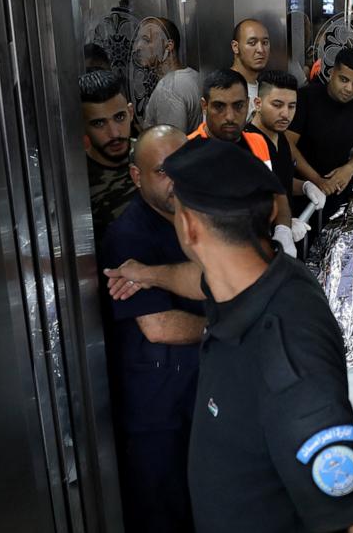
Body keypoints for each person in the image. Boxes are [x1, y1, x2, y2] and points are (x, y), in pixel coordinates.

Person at [153, 138, 353, 532]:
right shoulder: (266, 276)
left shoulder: (287, 372)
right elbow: (201, 281)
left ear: (188, 227)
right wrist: (147, 274)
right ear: (270, 211)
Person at [99, 125, 203, 533]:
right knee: (163, 511)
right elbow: (159, 327)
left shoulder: (198, 218)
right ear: (136, 176)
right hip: (157, 408)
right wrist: (225, 327)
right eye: (162, 171)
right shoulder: (128, 236)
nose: (176, 180)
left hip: (199, 393)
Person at [188, 69, 299, 255]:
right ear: (204, 106)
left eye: (238, 106)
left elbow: (276, 193)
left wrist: (283, 229)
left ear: (248, 104)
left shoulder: (258, 142)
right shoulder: (188, 153)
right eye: (219, 106)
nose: (230, 116)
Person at [287, 48, 353, 218]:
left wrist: (349, 168)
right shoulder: (306, 98)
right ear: (332, 73)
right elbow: (287, 144)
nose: (349, 88)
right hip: (300, 190)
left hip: (337, 193)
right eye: (344, 80)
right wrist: (316, 180)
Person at [246, 70, 327, 250]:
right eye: (277, 105)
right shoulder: (246, 145)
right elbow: (249, 203)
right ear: (258, 103)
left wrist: (305, 187)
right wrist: (282, 225)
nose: (285, 114)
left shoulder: (281, 139)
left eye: (291, 106)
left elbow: (280, 182)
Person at [80, 70, 136, 242]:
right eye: (99, 123)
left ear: (131, 113)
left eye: (119, 117)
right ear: (82, 126)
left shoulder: (154, 156)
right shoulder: (77, 182)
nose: (114, 133)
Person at [132, 17, 202, 133]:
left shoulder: (168, 89)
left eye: (146, 40)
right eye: (138, 41)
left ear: (168, 46)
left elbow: (171, 145)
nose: (138, 47)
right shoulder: (193, 75)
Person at [230, 18, 271, 112]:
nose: (261, 50)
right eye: (252, 43)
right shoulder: (226, 89)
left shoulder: (264, 88)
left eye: (265, 43)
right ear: (235, 47)